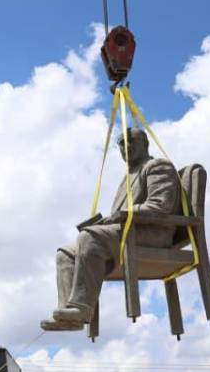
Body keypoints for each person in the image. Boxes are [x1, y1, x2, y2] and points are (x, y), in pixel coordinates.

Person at [43, 126, 182, 331]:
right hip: (127, 233)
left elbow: (160, 205)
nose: (126, 148)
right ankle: (68, 314)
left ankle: (81, 308)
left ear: (145, 144)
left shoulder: (157, 166)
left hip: (152, 234)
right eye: (121, 145)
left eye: (131, 142)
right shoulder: (127, 178)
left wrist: (121, 215)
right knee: (65, 253)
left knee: (88, 237)